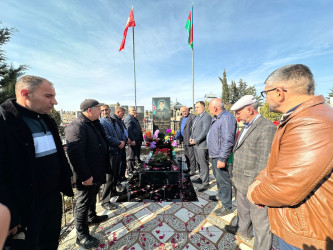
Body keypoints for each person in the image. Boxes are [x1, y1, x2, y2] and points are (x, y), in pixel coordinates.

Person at [247, 64, 333, 249]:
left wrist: (255, 193)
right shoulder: (301, 116)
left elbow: (285, 188)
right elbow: (278, 162)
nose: (265, 99)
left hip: (307, 232)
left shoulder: (311, 122)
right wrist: (260, 179)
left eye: (265, 93)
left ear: (279, 93)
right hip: (302, 225)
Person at [0, 75, 73, 249]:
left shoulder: (47, 120)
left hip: (52, 200)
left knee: (50, 243)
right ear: (26, 94)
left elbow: (58, 155)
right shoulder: (5, 122)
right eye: (48, 96)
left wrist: (67, 175)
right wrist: (11, 216)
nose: (54, 102)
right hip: (26, 208)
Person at [224, 95, 276, 249]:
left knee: (261, 224)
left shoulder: (267, 128)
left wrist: (259, 188)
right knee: (243, 212)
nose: (236, 116)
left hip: (254, 184)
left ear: (250, 110)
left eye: (238, 112)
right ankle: (244, 231)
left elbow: (265, 162)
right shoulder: (247, 125)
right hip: (241, 181)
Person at [65, 99, 109, 249]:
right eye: (99, 109)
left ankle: (92, 216)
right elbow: (75, 154)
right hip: (86, 174)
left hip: (95, 170)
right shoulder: (76, 126)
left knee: (92, 195)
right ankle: (82, 236)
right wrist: (85, 176)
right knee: (82, 202)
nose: (101, 111)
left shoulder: (93, 123)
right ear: (90, 110)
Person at [207, 98, 237, 216]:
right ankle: (221, 195)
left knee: (224, 180)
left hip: (220, 155)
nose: (209, 109)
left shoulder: (226, 118)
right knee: (219, 178)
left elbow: (228, 140)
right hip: (215, 154)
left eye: (209, 107)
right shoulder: (217, 118)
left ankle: (227, 206)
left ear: (215, 108)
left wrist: (222, 158)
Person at [100, 104, 124, 210]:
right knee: (109, 177)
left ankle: (113, 191)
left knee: (115, 174)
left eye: (106, 109)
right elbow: (107, 137)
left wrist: (122, 140)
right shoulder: (102, 122)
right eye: (103, 110)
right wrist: (119, 143)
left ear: (110, 110)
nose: (105, 112)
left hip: (117, 151)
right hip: (111, 151)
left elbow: (119, 132)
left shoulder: (112, 120)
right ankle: (105, 201)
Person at [190, 101, 212, 191]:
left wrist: (196, 140)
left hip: (202, 145)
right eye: (195, 107)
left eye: (198, 107)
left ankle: (205, 183)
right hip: (196, 144)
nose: (196, 109)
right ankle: (201, 178)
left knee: (203, 164)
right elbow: (193, 129)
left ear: (203, 107)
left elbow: (205, 131)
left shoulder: (206, 116)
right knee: (199, 162)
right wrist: (191, 138)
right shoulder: (198, 117)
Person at [112, 106, 129, 186]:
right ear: (118, 112)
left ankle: (122, 176)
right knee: (120, 163)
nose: (123, 115)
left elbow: (122, 130)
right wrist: (121, 141)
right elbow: (116, 133)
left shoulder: (119, 120)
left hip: (123, 142)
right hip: (119, 144)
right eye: (123, 113)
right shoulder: (114, 120)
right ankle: (118, 179)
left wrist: (126, 138)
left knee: (123, 161)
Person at [124, 106, 142, 174]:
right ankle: (130, 171)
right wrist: (132, 139)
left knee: (134, 154)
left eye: (135, 110)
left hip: (137, 139)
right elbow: (129, 130)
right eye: (133, 110)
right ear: (129, 111)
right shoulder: (129, 118)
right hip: (133, 140)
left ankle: (133, 168)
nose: (134, 111)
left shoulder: (133, 118)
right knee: (131, 155)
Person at [179, 106, 197, 175]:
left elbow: (195, 129)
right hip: (184, 139)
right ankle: (189, 168)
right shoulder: (182, 118)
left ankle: (193, 170)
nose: (184, 112)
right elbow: (180, 128)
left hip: (190, 139)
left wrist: (192, 137)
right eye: (183, 111)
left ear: (188, 110)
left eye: (185, 111)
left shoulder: (192, 117)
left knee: (191, 155)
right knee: (186, 155)